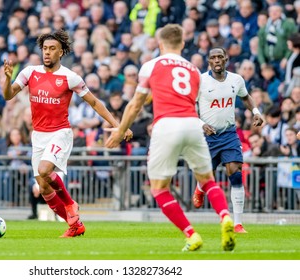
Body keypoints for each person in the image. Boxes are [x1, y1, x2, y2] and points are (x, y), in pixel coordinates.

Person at [105, 24, 235, 251]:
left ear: (160, 44)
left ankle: (191, 234)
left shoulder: (151, 65)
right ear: (182, 44)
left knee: (159, 188)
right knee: (207, 180)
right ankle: (225, 216)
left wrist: (120, 130)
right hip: (193, 124)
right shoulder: (194, 70)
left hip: (166, 125)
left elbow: (136, 104)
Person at [3, 29, 132, 238]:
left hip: (60, 133)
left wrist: (118, 125)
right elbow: (8, 95)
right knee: (44, 188)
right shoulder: (29, 72)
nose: (47, 53)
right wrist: (7, 79)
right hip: (38, 135)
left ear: (61, 52)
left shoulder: (69, 77)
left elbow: (94, 103)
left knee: (45, 170)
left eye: (52, 49)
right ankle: (75, 225)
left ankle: (71, 204)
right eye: (44, 49)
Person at [192, 47, 264, 234]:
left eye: (219, 57)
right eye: (213, 57)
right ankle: (200, 188)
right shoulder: (200, 81)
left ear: (226, 59)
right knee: (208, 176)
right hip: (207, 136)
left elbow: (245, 97)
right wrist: (201, 124)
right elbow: (188, 106)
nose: (216, 60)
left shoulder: (236, 79)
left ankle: (238, 223)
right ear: (209, 61)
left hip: (229, 134)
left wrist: (255, 112)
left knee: (236, 174)